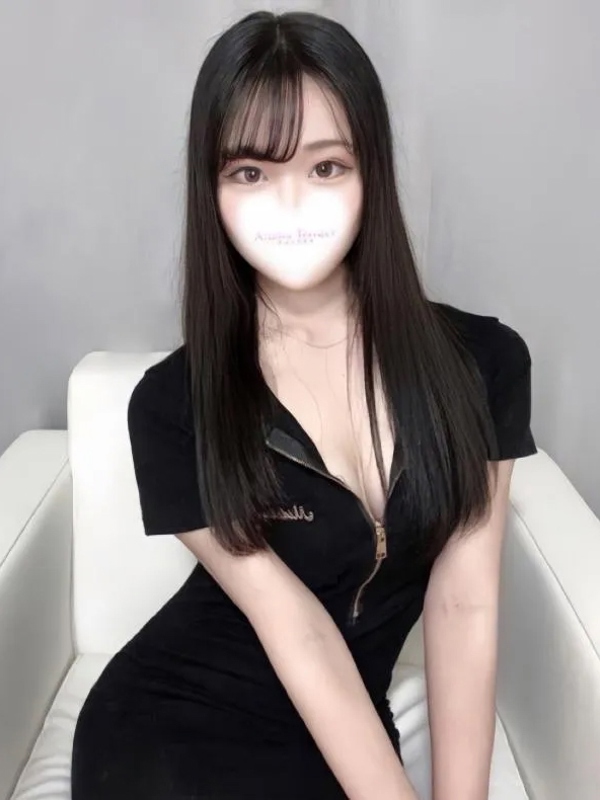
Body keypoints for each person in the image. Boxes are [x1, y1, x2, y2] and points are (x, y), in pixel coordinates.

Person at [70, 9, 537, 800]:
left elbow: (463, 604)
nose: (291, 206)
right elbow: (297, 629)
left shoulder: (483, 365)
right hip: (166, 726)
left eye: (325, 167)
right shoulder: (174, 404)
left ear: (370, 174)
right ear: (213, 190)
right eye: (251, 173)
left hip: (338, 725)